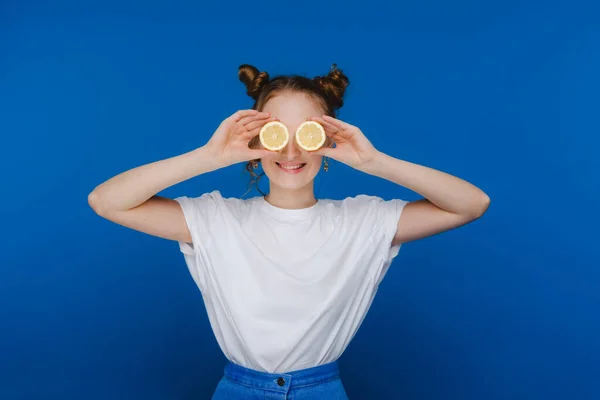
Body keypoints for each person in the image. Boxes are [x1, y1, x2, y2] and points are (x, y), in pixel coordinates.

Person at [88, 63, 490, 399]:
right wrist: (209, 157)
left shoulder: (365, 221)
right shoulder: (213, 219)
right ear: (257, 139)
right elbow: (107, 201)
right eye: (276, 134)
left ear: (327, 140)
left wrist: (374, 161)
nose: (291, 152)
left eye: (307, 135)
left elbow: (472, 204)